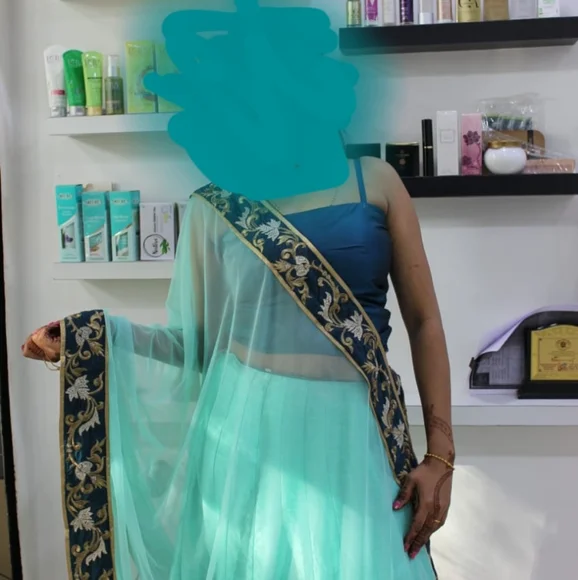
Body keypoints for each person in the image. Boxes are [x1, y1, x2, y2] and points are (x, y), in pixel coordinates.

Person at [23, 155, 454, 580]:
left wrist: (441, 457)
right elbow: (198, 344)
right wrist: (96, 335)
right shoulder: (217, 203)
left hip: (355, 435)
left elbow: (425, 323)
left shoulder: (374, 180)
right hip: (250, 435)